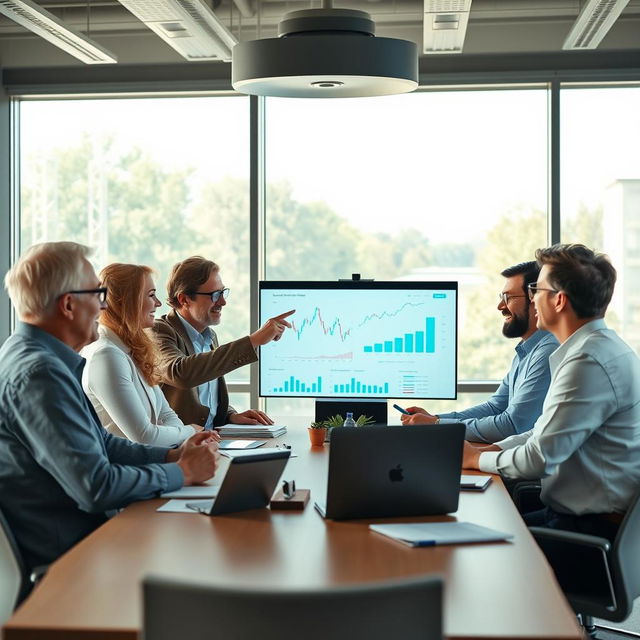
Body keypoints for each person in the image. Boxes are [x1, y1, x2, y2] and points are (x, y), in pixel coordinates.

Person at [0, 242, 219, 574]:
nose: (104, 306)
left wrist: (171, 457)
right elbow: (96, 487)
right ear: (69, 305)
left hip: (84, 542)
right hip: (72, 562)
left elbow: (101, 445)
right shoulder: (41, 374)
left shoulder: (35, 357)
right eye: (98, 295)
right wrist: (183, 473)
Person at [463, 244, 640, 540]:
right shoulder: (595, 349)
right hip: (577, 518)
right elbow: (541, 433)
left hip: (590, 532)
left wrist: (473, 460)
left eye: (537, 290)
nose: (532, 300)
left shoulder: (588, 361)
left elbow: (538, 458)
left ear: (559, 300)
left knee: (479, 547)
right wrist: (488, 451)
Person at [402, 261, 558, 443]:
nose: (500, 306)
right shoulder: (526, 352)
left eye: (508, 297)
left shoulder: (548, 351)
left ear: (535, 299)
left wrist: (437, 424)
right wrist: (434, 419)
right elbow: (495, 407)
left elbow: (513, 425)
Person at [152, 256, 293, 429]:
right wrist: (253, 340)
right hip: (181, 447)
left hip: (213, 441)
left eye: (223, 292)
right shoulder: (159, 330)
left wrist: (230, 415)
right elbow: (180, 373)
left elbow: (206, 396)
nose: (223, 302)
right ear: (184, 299)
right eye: (214, 295)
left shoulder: (209, 336)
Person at [82, 263, 200, 447]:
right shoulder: (106, 356)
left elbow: (167, 415)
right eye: (151, 295)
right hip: (123, 471)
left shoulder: (131, 349)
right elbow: (145, 436)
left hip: (149, 463)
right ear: (127, 301)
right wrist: (190, 431)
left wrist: (181, 433)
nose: (158, 303)